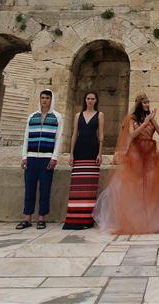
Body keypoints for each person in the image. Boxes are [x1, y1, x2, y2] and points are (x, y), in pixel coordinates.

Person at [93, 93, 159, 234]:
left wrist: (152, 120)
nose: (147, 104)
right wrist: (145, 123)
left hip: (150, 154)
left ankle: (152, 219)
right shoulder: (132, 118)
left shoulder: (149, 118)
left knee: (152, 187)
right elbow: (132, 135)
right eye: (144, 102)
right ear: (139, 104)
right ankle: (136, 219)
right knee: (137, 187)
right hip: (137, 154)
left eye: (148, 102)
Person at [16, 89, 64, 230]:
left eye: (47, 98)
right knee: (29, 188)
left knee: (45, 188)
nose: (44, 100)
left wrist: (54, 157)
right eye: (42, 98)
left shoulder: (57, 117)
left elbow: (58, 139)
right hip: (31, 157)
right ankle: (27, 217)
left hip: (46, 158)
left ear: (51, 100)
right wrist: (24, 156)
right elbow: (26, 137)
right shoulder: (32, 117)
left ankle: (42, 217)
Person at [61, 91, 103, 229]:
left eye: (92, 98)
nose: (90, 101)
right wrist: (71, 154)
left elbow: (101, 135)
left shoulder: (100, 115)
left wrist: (100, 153)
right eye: (88, 98)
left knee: (89, 186)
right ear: (85, 100)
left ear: (96, 101)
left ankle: (86, 220)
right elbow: (74, 134)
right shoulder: (78, 115)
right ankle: (74, 219)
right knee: (77, 186)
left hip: (93, 150)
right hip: (79, 149)